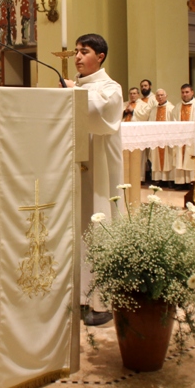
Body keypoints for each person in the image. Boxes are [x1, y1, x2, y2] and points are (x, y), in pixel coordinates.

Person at [62, 33, 123, 326]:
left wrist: (74, 92)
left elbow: (99, 115)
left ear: (100, 57)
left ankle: (102, 301)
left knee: (99, 230)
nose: (77, 57)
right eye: (76, 51)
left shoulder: (111, 88)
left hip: (100, 174)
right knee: (77, 231)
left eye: (84, 51)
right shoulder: (76, 87)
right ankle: (80, 297)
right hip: (75, 172)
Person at [170, 83, 195, 189]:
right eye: (183, 92)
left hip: (192, 137)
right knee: (180, 158)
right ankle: (181, 182)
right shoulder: (177, 107)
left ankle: (192, 181)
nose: (185, 94)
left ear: (192, 92)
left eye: (187, 92)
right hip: (180, 138)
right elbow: (174, 121)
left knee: (191, 159)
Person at [148, 89, 175, 186]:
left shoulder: (171, 108)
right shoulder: (153, 110)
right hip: (156, 139)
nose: (160, 97)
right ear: (155, 97)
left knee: (168, 158)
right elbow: (150, 124)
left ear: (166, 96)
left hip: (167, 139)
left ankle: (169, 179)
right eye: (158, 95)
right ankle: (158, 179)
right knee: (156, 159)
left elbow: (174, 124)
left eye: (162, 95)